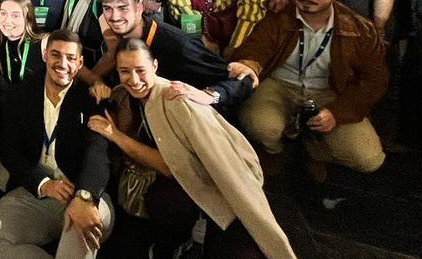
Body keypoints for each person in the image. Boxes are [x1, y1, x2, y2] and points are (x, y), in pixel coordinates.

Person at [95, 39, 297, 258]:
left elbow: (169, 166)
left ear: (154, 66)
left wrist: (116, 136)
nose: (133, 80)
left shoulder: (175, 97)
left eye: (140, 70)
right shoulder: (124, 95)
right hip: (188, 180)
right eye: (125, 71)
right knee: (163, 202)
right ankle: (184, 237)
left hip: (222, 179)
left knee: (245, 243)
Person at [231, 0, 388, 181]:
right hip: (279, 85)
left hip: (329, 92)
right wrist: (249, 64)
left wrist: (337, 112)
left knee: (369, 159)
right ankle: (275, 151)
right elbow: (256, 48)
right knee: (262, 126)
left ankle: (314, 151)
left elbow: (373, 80)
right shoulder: (277, 16)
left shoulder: (360, 29)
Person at [0, 30, 114, 259]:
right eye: (55, 55)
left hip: (82, 193)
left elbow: (97, 154)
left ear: (80, 62)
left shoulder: (91, 99)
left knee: (82, 230)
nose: (62, 64)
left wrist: (84, 196)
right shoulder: (19, 95)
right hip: (37, 193)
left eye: (71, 58)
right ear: (44, 56)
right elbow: (10, 152)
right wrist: (43, 184)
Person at [89, 0, 252, 114]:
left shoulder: (177, 46)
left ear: (139, 7)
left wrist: (209, 96)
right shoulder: (122, 38)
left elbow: (242, 81)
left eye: (123, 8)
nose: (115, 17)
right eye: (108, 9)